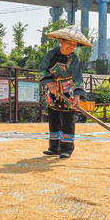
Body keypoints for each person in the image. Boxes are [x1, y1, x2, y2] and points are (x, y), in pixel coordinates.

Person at [38, 25, 91, 158]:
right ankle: (54, 147)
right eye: (69, 43)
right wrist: (51, 85)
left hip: (68, 93)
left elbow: (78, 78)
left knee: (67, 121)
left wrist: (77, 97)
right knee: (53, 119)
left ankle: (67, 149)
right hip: (53, 92)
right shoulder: (51, 54)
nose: (72, 47)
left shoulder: (74, 60)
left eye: (74, 44)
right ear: (61, 40)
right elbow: (42, 70)